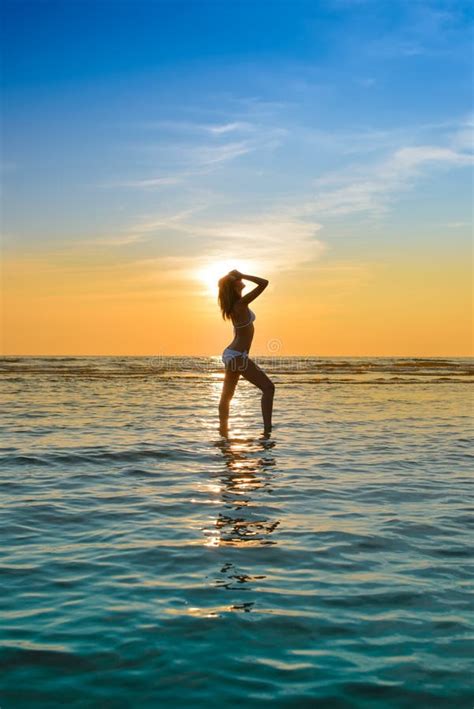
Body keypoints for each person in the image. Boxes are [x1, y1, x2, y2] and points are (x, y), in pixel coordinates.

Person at [217, 269, 275, 437]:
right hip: (236, 355)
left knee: (227, 396)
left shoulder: (238, 305)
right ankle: (267, 430)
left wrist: (237, 277)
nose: (241, 280)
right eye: (238, 279)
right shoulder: (240, 305)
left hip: (234, 354)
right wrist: (244, 275)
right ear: (234, 285)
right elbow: (264, 283)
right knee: (268, 388)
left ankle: (223, 431)